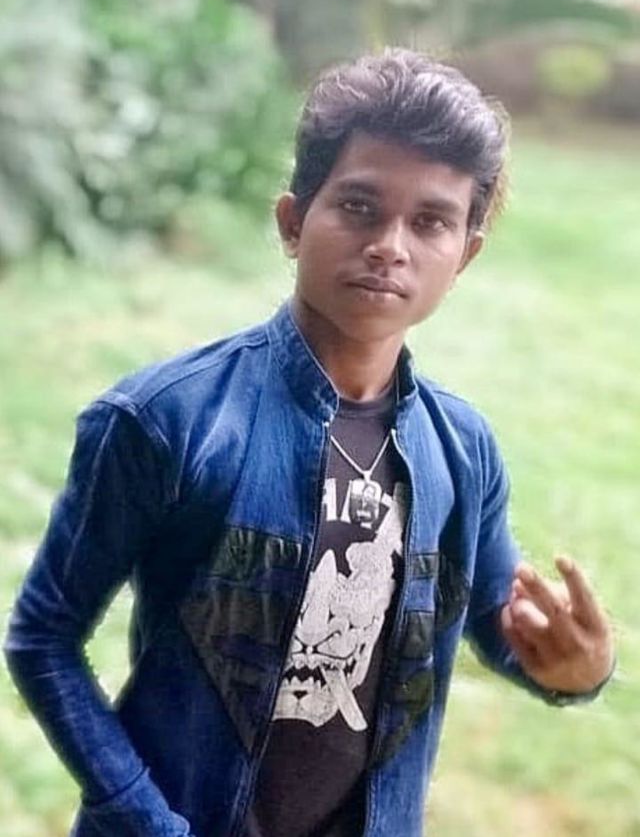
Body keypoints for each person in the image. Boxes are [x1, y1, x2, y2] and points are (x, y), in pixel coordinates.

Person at [4, 48, 614, 837]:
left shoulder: (462, 448)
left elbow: (502, 622)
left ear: (465, 253)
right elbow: (44, 636)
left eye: (430, 221)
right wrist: (145, 817)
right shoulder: (167, 419)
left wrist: (578, 669)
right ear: (293, 222)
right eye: (360, 206)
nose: (391, 244)